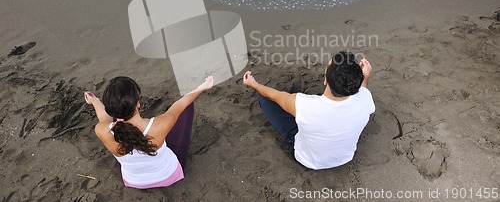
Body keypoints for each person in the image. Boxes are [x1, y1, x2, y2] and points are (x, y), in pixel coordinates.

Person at [243, 51, 374, 170]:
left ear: (326, 80)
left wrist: (254, 84)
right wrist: (366, 76)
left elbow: (274, 96)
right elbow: (363, 88)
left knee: (264, 98)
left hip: (308, 160)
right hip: (344, 157)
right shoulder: (365, 98)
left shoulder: (303, 104)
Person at [84, 75, 213, 189]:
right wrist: (201, 88)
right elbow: (181, 104)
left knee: (119, 144)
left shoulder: (101, 130)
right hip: (168, 176)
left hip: (133, 181)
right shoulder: (159, 125)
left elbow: (103, 118)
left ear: (110, 110)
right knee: (185, 107)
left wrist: (95, 101)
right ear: (138, 104)